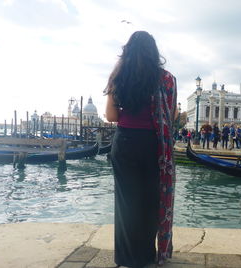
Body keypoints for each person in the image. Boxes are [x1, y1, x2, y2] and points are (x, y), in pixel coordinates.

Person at [104, 31, 177, 267]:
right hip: (154, 146)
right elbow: (170, 116)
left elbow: (111, 116)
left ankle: (126, 257)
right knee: (151, 201)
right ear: (154, 52)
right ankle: (147, 255)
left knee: (126, 203)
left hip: (125, 143)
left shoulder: (119, 77)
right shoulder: (166, 79)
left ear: (128, 51)